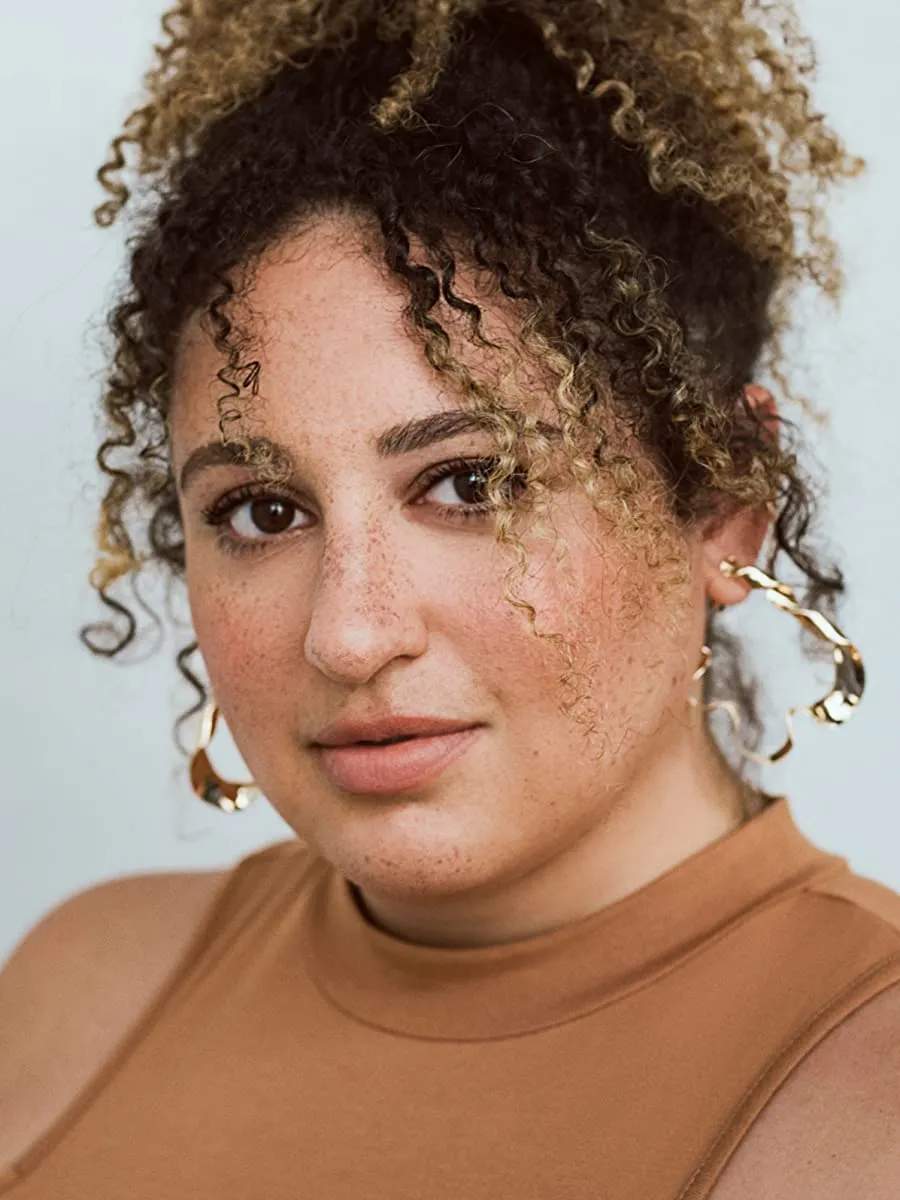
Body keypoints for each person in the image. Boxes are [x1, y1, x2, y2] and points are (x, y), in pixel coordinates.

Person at [1, 1, 898, 1196]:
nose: (350, 633)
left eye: (472, 484)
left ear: (725, 501)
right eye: (261, 511)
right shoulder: (80, 992)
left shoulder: (871, 1095)